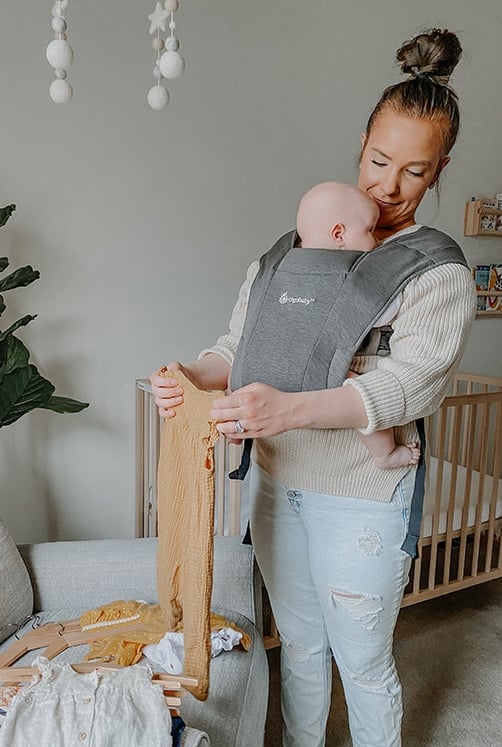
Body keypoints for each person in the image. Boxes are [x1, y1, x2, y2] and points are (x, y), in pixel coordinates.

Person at [150, 28, 476, 747]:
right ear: (361, 141)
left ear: (440, 170)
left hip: (362, 497)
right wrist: (187, 376)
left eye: (414, 172)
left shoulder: (437, 272)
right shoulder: (290, 252)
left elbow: (404, 390)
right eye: (379, 160)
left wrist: (289, 407)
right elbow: (238, 348)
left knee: (362, 661)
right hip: (278, 485)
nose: (388, 187)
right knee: (297, 647)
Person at [295, 180, 420, 470]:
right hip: (321, 361)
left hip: (285, 357)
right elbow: (379, 310)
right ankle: (385, 453)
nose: (376, 241)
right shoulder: (346, 275)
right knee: (362, 395)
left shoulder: (289, 268)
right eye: (370, 231)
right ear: (339, 233)